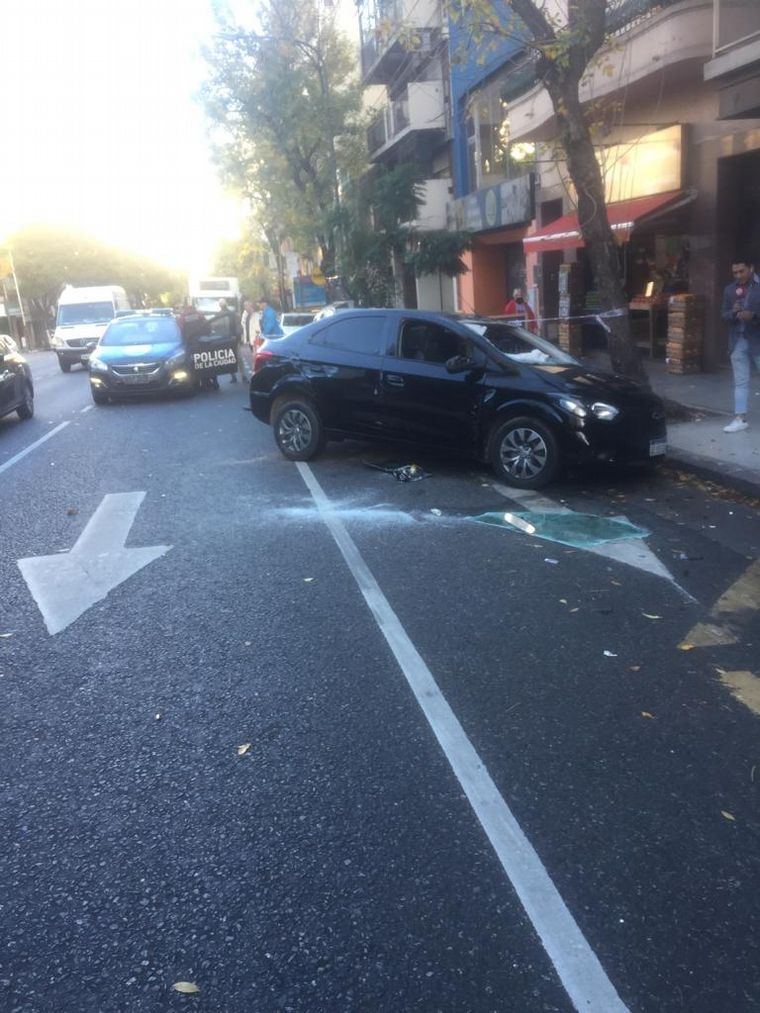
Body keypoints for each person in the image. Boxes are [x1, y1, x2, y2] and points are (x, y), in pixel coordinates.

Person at [721, 257, 760, 433]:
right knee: (740, 382)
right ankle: (739, 418)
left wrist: (754, 317)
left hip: (757, 341)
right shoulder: (730, 290)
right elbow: (724, 315)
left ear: (751, 268)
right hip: (738, 341)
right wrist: (733, 313)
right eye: (735, 272)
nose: (738, 275)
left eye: (741, 271)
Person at [217, 298, 244, 383]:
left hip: (225, 339)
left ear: (219, 305)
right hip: (234, 338)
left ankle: (233, 376)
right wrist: (239, 338)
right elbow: (239, 326)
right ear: (226, 304)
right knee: (239, 358)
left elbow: (216, 328)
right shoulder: (233, 314)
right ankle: (243, 376)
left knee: (228, 358)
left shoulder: (218, 315)